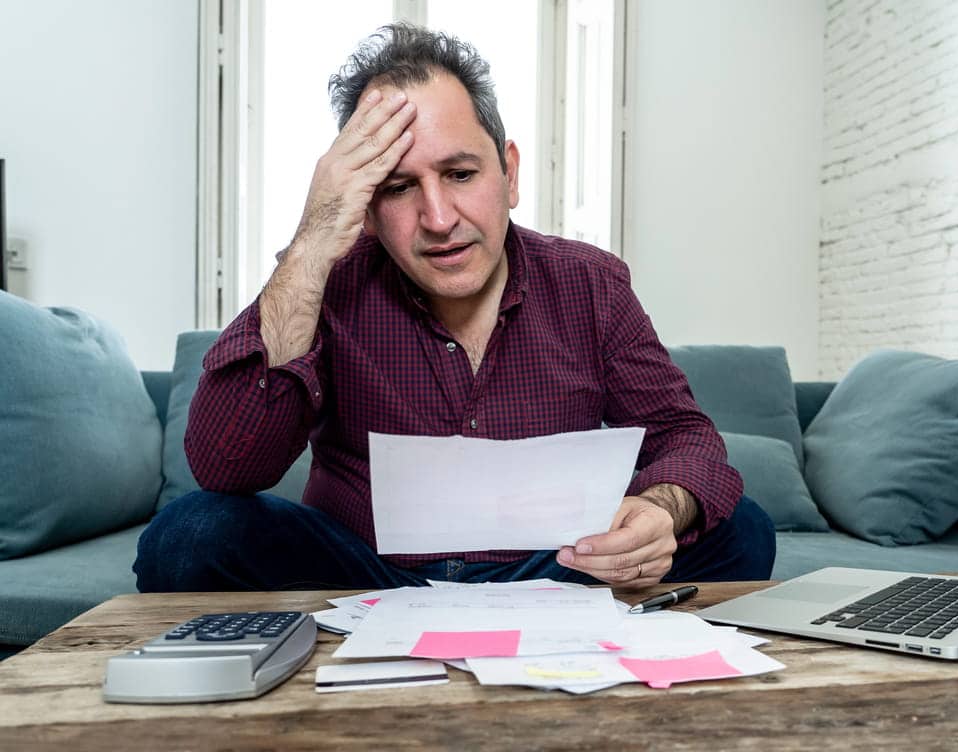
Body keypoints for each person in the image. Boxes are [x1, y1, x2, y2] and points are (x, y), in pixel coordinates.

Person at [133, 23, 774, 593]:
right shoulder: (326, 280)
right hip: (364, 573)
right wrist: (312, 243)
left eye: (461, 174)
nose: (439, 220)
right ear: (363, 203)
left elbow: (686, 438)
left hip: (552, 570)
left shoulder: (591, 284)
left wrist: (662, 510)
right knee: (190, 533)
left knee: (741, 529)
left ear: (509, 172)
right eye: (398, 187)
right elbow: (227, 466)